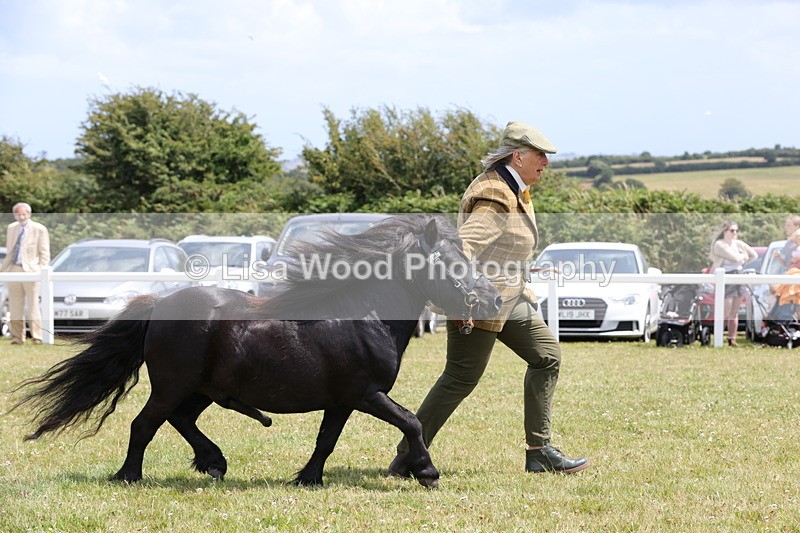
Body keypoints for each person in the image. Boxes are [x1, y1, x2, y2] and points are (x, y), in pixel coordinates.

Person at [388, 121, 589, 476]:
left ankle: (539, 452)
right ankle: (408, 453)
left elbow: (503, 247)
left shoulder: (514, 186)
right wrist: (456, 301)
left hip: (512, 297)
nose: (546, 162)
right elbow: (463, 246)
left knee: (546, 356)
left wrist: (521, 269)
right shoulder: (496, 193)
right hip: (480, 300)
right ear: (518, 155)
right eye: (540, 155)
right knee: (460, 378)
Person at [1, 202, 50, 345]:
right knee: (15, 305)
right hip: (14, 268)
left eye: (23, 214)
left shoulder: (39, 229)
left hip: (32, 270)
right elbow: (10, 252)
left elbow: (44, 253)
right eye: (18, 214)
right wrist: (3, 269)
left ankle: (37, 336)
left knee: (33, 306)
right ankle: (17, 337)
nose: (21, 217)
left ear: (29, 214)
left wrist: (40, 269)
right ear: (14, 215)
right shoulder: (11, 228)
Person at [709, 220, 757, 347]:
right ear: (725, 231)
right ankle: (718, 337)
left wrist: (743, 258)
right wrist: (743, 257)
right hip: (726, 277)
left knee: (734, 311)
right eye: (732, 230)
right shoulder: (720, 245)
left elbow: (753, 255)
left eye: (736, 231)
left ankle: (732, 339)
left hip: (739, 275)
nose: (734, 233)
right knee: (725, 310)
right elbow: (734, 258)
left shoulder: (739, 244)